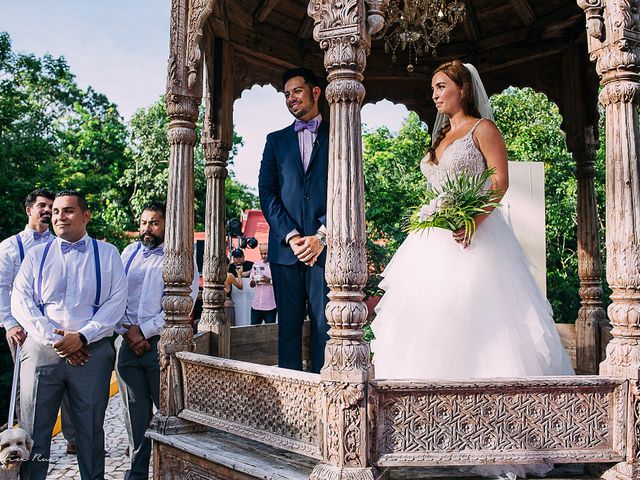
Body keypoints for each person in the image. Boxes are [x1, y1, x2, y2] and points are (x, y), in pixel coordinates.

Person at [370, 61, 574, 479]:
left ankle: (497, 434)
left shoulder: (482, 129)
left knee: (485, 328)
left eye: (441, 86)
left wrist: (472, 221)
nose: (434, 94)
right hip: (434, 243)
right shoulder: (442, 135)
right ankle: (429, 431)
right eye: (432, 88)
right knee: (430, 328)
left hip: (478, 238)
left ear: (463, 89)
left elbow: (499, 181)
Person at [11, 190, 128, 480]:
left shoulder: (108, 253)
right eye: (57, 212)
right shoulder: (37, 255)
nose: (59, 217)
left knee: (89, 428)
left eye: (68, 211)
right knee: (35, 429)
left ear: (85, 216)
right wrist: (58, 340)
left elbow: (117, 301)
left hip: (92, 351)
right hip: (41, 350)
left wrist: (83, 337)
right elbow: (20, 300)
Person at [116, 201, 198, 480]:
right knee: (134, 416)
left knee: (168, 413)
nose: (146, 229)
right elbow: (114, 297)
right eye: (143, 223)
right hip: (127, 346)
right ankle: (137, 474)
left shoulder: (180, 255)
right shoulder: (128, 253)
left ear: (166, 225)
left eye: (153, 223)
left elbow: (185, 301)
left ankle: (171, 472)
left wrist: (144, 331)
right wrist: (128, 331)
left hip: (161, 345)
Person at [258, 67, 329, 373]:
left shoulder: (339, 135)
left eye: (297, 91)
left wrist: (321, 236)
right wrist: (290, 235)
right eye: (286, 94)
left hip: (325, 250)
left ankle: (325, 397)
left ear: (316, 92)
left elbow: (347, 190)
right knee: (287, 327)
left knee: (325, 325)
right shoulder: (275, 141)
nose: (291, 99)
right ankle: (291, 407)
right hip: (285, 250)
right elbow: (267, 193)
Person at [0, 189, 78, 454]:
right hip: (25, 330)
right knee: (26, 389)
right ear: (29, 210)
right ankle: (26, 442)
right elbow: (2, 287)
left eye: (51, 207)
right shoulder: (11, 246)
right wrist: (10, 324)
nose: (47, 211)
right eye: (42, 206)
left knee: (70, 382)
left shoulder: (63, 242)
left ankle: (74, 438)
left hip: (60, 327)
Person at [249, 243, 277, 325]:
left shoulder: (276, 265)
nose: (264, 256)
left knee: (270, 332)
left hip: (270, 305)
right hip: (256, 305)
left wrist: (269, 280)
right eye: (262, 253)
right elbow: (251, 284)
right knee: (253, 331)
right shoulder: (256, 264)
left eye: (266, 253)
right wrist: (253, 281)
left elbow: (281, 282)